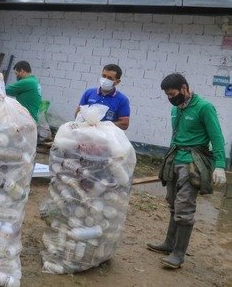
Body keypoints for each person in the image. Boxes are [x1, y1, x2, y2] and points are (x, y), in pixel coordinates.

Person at [147, 73, 226, 268]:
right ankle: (169, 244)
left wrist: (220, 165)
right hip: (175, 160)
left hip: (192, 164)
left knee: (184, 208)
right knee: (173, 203)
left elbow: (217, 137)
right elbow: (176, 136)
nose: (170, 98)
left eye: (172, 93)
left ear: (184, 88)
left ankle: (178, 254)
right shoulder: (176, 109)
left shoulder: (204, 107)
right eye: (167, 95)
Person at [75, 64, 130, 130]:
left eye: (110, 78)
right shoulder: (89, 92)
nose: (105, 80)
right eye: (104, 76)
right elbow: (78, 113)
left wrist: (101, 126)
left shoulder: (122, 100)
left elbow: (124, 124)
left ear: (117, 82)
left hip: (107, 137)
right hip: (86, 134)